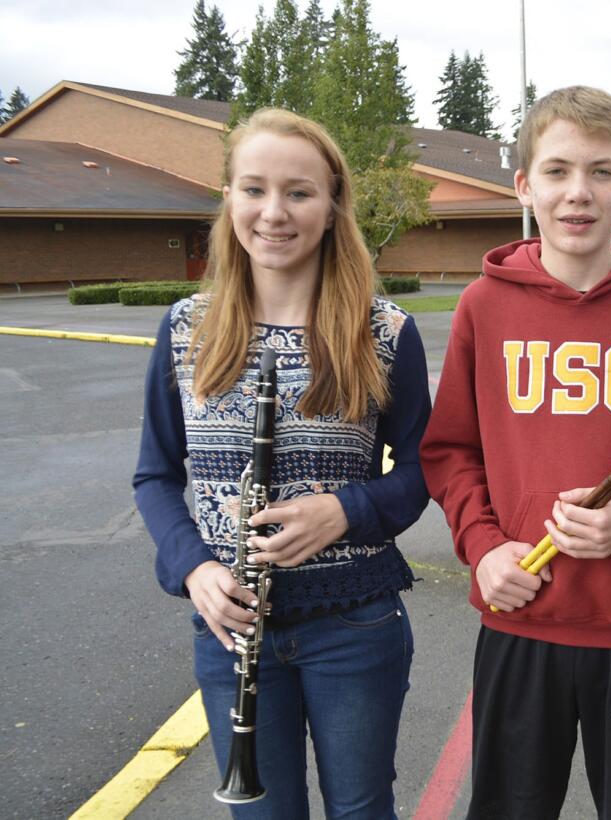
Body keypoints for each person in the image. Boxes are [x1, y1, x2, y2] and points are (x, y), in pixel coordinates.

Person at [419, 86, 611, 820]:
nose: (577, 193)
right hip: (518, 615)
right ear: (524, 185)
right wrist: (484, 548)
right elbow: (451, 451)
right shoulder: (483, 308)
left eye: (600, 171)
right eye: (557, 171)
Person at [133, 108, 431, 819]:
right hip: (231, 626)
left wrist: (346, 510)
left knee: (362, 810)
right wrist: (194, 569)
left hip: (354, 622)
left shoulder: (384, 332)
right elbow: (154, 474)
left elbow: (428, 469)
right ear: (229, 199)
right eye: (253, 189)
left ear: (332, 208)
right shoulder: (186, 328)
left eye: (299, 192)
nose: (274, 212)